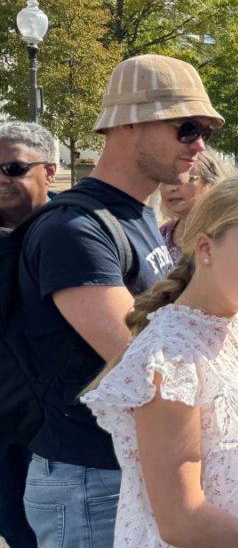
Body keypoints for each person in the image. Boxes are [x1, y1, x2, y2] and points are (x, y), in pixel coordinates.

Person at [16, 55, 221, 547]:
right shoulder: (75, 230)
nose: (198, 145)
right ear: (130, 121)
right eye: (187, 128)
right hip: (90, 480)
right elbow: (143, 363)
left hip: (123, 471)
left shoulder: (135, 216)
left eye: (204, 132)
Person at [80, 175, 238, 547]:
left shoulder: (234, 325)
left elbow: (228, 433)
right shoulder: (172, 359)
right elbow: (181, 519)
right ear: (206, 248)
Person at [0, 121, 58, 548]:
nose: (2, 180)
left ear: (49, 172)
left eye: (14, 168)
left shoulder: (73, 233)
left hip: (60, 426)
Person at [159, 152, 228, 264]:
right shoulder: (160, 236)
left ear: (210, 183)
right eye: (164, 180)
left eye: (185, 178)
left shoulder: (226, 233)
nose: (170, 188)